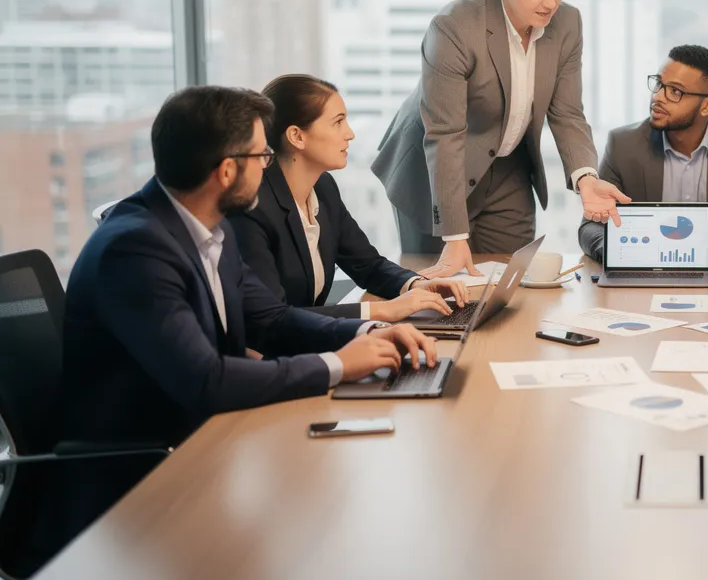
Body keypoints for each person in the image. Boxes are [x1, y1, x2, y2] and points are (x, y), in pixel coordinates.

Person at [56, 86, 438, 548]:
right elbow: (206, 381)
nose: (268, 164)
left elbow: (272, 320)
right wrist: (338, 365)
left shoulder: (209, 229)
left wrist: (371, 332)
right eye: (261, 155)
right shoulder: (136, 250)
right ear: (226, 170)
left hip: (209, 443)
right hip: (141, 485)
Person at [372, 0, 629, 278]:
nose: (551, 1)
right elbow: (445, 133)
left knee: (509, 284)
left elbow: (568, 112)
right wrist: (455, 234)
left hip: (508, 169)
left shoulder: (567, 22)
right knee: (439, 295)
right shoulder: (455, 26)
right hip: (436, 169)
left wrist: (586, 177)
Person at [231, 74, 470, 322]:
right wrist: (381, 311)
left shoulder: (323, 187)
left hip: (310, 343)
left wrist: (415, 285)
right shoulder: (252, 206)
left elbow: (368, 265)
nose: (350, 134)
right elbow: (272, 319)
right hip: (272, 356)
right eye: (338, 122)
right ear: (297, 136)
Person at [576, 45, 708, 264]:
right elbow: (590, 227)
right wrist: (620, 251)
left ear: (707, 105)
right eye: (658, 84)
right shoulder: (623, 144)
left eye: (676, 91)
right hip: (645, 275)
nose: (658, 97)